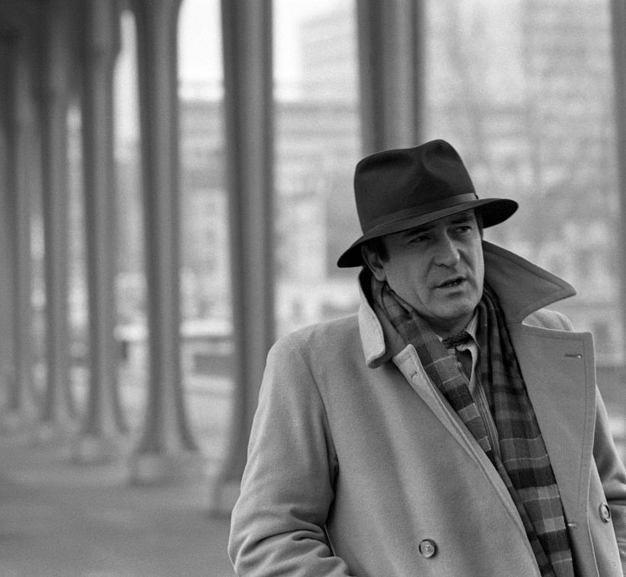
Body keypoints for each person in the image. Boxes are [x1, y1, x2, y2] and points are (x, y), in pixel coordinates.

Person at [228, 139, 626, 576]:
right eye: (421, 239)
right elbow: (270, 540)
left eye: (461, 229)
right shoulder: (313, 365)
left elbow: (611, 497)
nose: (450, 255)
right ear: (378, 261)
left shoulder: (550, 338)